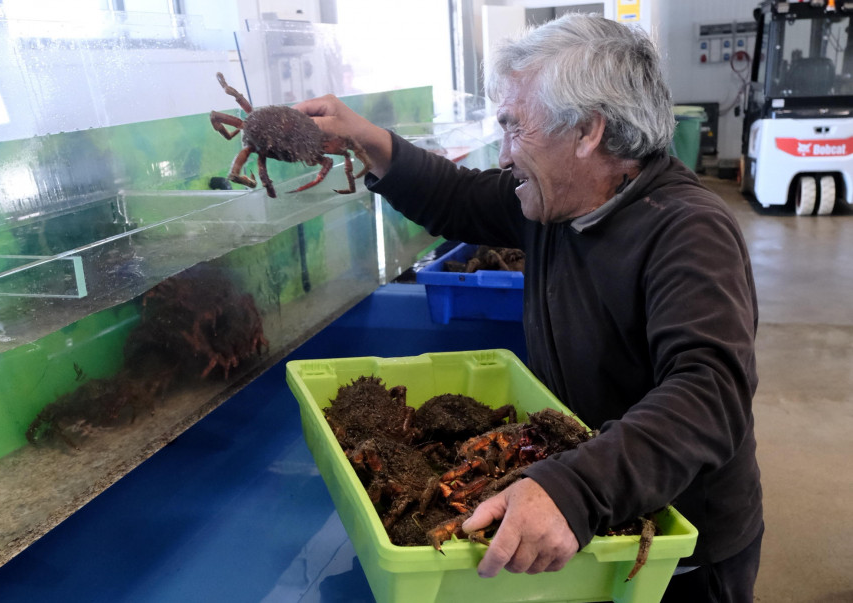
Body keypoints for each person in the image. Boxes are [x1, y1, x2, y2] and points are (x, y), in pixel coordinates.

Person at [295, 13, 763, 603]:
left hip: (679, 551)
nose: (506, 151)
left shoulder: (689, 232)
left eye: (515, 128)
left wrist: (574, 488)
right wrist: (365, 138)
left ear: (588, 132)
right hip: (586, 511)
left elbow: (709, 394)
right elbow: (457, 197)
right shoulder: (556, 200)